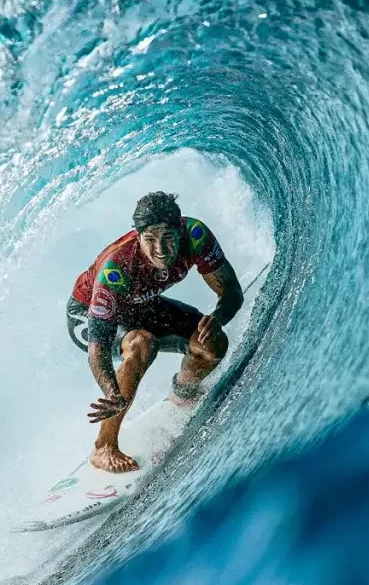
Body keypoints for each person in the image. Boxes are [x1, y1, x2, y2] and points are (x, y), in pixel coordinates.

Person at [66, 191, 244, 473]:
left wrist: (218, 317)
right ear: (138, 237)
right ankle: (104, 447)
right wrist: (112, 390)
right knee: (141, 345)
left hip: (140, 305)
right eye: (150, 239)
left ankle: (183, 392)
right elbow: (98, 346)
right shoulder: (116, 268)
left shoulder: (196, 236)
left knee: (212, 345)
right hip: (87, 315)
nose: (160, 249)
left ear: (180, 230)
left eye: (168, 238)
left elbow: (232, 292)